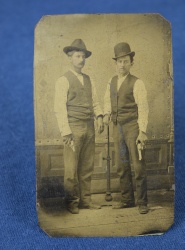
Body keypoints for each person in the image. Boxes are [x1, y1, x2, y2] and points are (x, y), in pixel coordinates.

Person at [54, 39, 104, 214]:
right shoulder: (63, 80)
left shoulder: (89, 80)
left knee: (87, 166)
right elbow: (59, 108)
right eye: (77, 56)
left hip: (89, 127)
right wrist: (66, 132)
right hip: (73, 128)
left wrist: (99, 117)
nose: (81, 59)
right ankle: (72, 202)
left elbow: (95, 103)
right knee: (71, 169)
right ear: (70, 57)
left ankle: (86, 201)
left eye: (83, 56)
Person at [103, 42, 149, 214]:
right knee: (122, 166)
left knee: (138, 166)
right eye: (119, 61)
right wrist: (107, 114)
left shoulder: (138, 83)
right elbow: (107, 101)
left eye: (126, 61)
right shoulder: (111, 81)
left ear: (131, 63)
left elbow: (143, 107)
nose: (122, 65)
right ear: (115, 63)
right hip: (117, 127)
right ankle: (127, 200)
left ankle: (143, 202)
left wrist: (142, 132)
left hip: (132, 127)